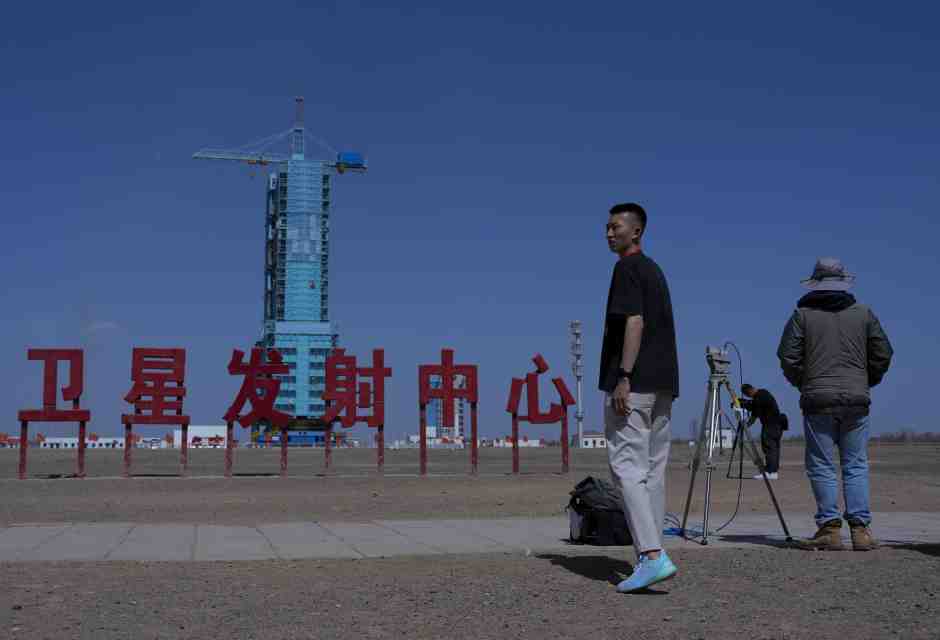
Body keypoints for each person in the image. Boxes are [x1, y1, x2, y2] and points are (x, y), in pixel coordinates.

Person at [777, 257, 893, 551]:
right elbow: (883, 353)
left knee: (822, 465)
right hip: (856, 399)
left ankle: (829, 528)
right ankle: (861, 530)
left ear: (815, 282)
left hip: (818, 400)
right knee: (855, 463)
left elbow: (788, 356)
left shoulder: (802, 315)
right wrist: (866, 381)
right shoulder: (864, 313)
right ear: (844, 282)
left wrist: (804, 383)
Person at [600, 202, 680, 592]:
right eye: (608, 227)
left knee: (627, 468)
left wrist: (624, 376)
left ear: (636, 231)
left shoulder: (627, 268)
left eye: (615, 227)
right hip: (664, 385)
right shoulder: (655, 271)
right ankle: (652, 553)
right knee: (652, 472)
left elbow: (635, 321)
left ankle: (651, 555)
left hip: (636, 383)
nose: (608, 233)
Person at [741, 383, 785, 480]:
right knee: (774, 449)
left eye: (748, 395)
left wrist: (747, 424)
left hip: (771, 426)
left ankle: (770, 472)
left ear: (749, 391)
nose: (749, 397)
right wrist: (745, 404)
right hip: (777, 426)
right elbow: (755, 408)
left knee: (769, 448)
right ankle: (773, 471)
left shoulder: (760, 396)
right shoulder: (762, 394)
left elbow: (754, 412)